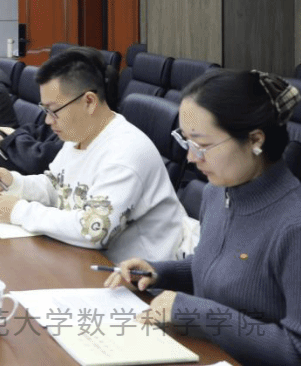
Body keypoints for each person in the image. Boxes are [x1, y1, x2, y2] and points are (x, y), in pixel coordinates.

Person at [106, 69, 301, 365]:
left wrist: (199, 312)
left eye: (203, 145)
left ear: (255, 140)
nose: (191, 157)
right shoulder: (217, 192)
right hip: (203, 352)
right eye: (187, 141)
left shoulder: (293, 225)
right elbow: (220, 266)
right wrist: (160, 272)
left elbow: (295, 350)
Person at [0, 46, 184, 264]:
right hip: (85, 258)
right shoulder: (79, 135)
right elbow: (57, 186)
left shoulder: (125, 152)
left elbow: (93, 230)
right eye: (45, 110)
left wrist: (20, 211)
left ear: (89, 102)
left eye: (53, 110)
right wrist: (15, 183)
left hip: (137, 273)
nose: (47, 120)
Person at [0, 103, 64, 175]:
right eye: (46, 110)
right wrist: (2, 137)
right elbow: (33, 131)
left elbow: (37, 161)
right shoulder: (55, 124)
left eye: (53, 112)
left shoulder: (69, 139)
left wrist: (13, 136)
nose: (47, 120)